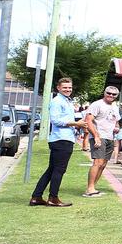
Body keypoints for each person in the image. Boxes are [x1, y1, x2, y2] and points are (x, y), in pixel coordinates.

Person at [30, 77, 85, 207]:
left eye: (70, 87)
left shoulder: (66, 101)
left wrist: (75, 124)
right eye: (65, 87)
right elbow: (55, 120)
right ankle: (53, 198)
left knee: (51, 170)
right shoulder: (56, 101)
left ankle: (36, 196)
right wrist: (76, 123)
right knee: (59, 170)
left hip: (64, 138)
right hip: (61, 139)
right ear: (58, 88)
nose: (68, 89)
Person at [82, 86, 121, 198]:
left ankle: (93, 187)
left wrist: (117, 127)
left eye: (114, 94)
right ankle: (90, 188)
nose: (111, 96)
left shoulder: (114, 106)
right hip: (99, 136)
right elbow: (88, 121)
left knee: (103, 164)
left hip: (109, 137)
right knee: (97, 163)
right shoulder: (97, 104)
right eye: (109, 93)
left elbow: (116, 120)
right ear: (104, 93)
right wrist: (96, 136)